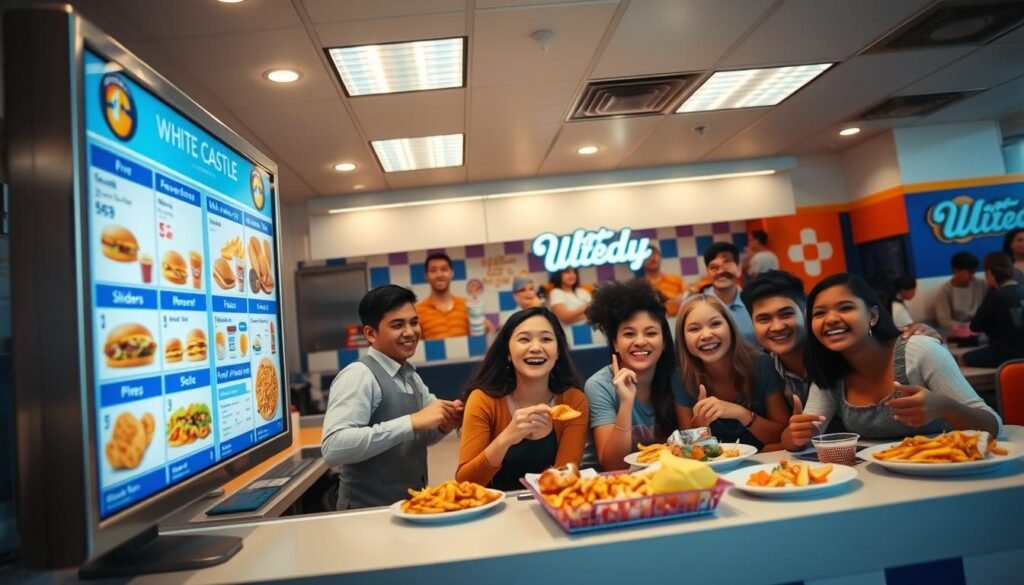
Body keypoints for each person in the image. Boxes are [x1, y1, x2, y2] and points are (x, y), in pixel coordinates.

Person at [782, 274, 1001, 451]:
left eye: (845, 308)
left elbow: (993, 426)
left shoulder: (918, 350)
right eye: (819, 313)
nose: (830, 319)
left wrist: (944, 407)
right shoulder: (829, 369)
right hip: (880, 480)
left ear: (873, 316)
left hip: (951, 471)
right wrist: (795, 435)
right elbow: (801, 438)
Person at [321, 285, 464, 509]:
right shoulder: (359, 376)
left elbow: (419, 436)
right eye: (397, 325)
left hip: (410, 507)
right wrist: (411, 422)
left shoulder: (411, 376)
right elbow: (334, 447)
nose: (410, 332)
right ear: (370, 333)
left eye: (414, 322)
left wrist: (444, 424)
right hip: (366, 515)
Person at [741, 270, 943, 411]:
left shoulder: (842, 352)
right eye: (764, 319)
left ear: (807, 313)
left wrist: (917, 339)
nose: (777, 327)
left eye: (786, 314)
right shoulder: (760, 369)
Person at [456, 307, 589, 490]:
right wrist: (506, 438)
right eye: (524, 339)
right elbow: (465, 482)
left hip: (552, 502)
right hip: (494, 506)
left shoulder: (573, 401)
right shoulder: (483, 399)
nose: (536, 348)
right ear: (508, 353)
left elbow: (566, 478)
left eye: (546, 339)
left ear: (558, 352)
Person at [582, 280, 677, 471]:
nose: (640, 341)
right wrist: (626, 402)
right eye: (629, 334)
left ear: (664, 342)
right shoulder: (600, 385)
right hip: (612, 481)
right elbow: (613, 465)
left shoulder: (676, 378)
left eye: (651, 333)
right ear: (615, 343)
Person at [673, 295, 789, 450]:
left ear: (730, 327)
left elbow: (783, 435)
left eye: (715, 324)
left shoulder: (761, 364)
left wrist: (741, 414)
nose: (706, 335)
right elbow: (689, 451)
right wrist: (699, 428)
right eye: (694, 329)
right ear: (683, 338)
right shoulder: (681, 378)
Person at [963, 253, 1024, 368]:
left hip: (1006, 354)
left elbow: (975, 326)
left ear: (989, 273)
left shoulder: (995, 296)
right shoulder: (1021, 290)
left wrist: (990, 292)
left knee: (963, 359)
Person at [694, 241, 758, 346]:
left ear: (739, 268)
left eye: (727, 265)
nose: (720, 271)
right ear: (708, 273)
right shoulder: (695, 306)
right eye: (714, 267)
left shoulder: (755, 302)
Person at [416, 253, 470, 339]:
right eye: (433, 271)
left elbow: (486, 333)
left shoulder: (467, 306)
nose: (439, 275)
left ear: (451, 273)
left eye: (444, 269)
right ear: (426, 276)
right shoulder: (418, 311)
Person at [933, 251, 986, 337]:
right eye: (969, 272)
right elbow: (944, 320)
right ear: (956, 270)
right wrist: (965, 327)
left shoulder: (981, 284)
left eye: (974, 272)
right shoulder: (945, 291)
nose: (972, 276)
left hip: (980, 328)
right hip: (959, 332)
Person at [641, 245, 685, 317]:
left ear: (660, 257)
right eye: (648, 256)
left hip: (678, 319)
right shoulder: (640, 286)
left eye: (654, 254)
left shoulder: (676, 280)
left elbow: (687, 301)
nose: (652, 258)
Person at [547, 267, 592, 336]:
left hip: (590, 333)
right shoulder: (556, 292)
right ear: (558, 274)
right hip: (568, 335)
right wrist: (585, 307)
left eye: (574, 272)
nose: (572, 275)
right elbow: (565, 319)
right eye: (567, 272)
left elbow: (595, 314)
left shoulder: (583, 292)